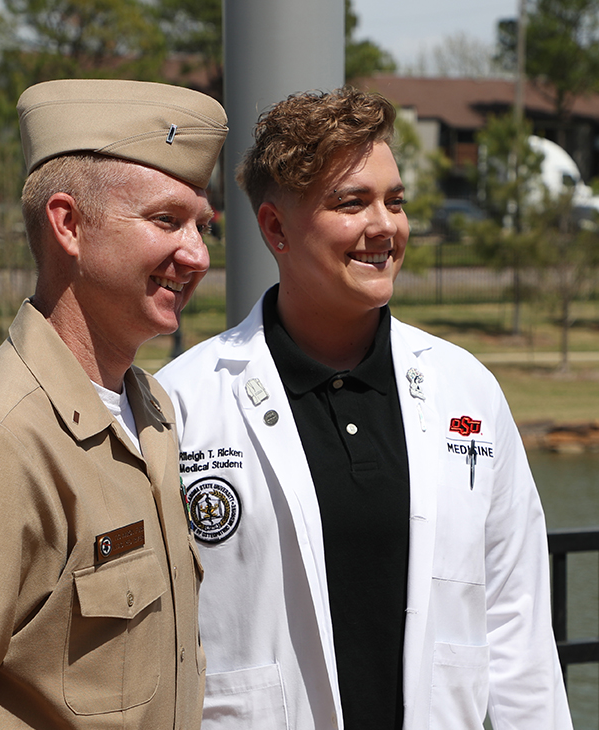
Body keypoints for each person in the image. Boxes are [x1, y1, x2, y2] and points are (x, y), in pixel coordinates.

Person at [157, 87, 572, 730]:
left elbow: (517, 622)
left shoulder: (467, 390)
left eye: (395, 201)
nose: (385, 226)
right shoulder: (186, 400)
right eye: (352, 203)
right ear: (275, 228)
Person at [0, 78, 228, 730]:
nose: (197, 254)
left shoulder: (149, 408)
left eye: (202, 226)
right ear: (68, 224)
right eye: (165, 220)